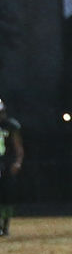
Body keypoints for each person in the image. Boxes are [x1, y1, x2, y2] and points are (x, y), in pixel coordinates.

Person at [0, 97, 22, 237]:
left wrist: (18, 162)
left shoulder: (10, 125)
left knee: (7, 196)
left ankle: (5, 226)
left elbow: (18, 146)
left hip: (6, 163)